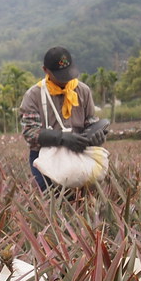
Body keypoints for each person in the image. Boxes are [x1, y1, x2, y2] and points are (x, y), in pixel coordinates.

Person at [19, 46, 107, 192]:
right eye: (60, 76)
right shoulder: (34, 95)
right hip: (45, 156)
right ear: (46, 70)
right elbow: (30, 132)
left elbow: (91, 122)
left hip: (79, 151)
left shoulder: (83, 91)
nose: (66, 80)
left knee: (83, 199)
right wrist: (61, 138)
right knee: (49, 199)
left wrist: (97, 135)